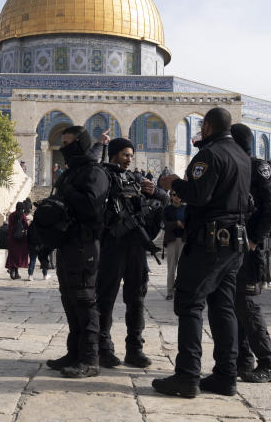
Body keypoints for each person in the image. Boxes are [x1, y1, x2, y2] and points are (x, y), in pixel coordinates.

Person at [152, 107, 251, 398]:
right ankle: (225, 375)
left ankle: (187, 375)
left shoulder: (210, 155)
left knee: (190, 303)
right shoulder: (242, 156)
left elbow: (199, 195)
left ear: (206, 126)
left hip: (209, 242)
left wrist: (175, 184)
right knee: (223, 308)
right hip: (234, 243)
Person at [45, 126, 111, 379]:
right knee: (69, 298)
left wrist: (69, 192)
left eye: (69, 143)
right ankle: (74, 352)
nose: (63, 148)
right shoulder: (72, 172)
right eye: (61, 143)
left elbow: (91, 207)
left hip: (84, 244)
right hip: (68, 243)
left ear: (81, 144)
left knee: (84, 299)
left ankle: (90, 357)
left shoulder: (94, 172)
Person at [97, 137, 167, 369]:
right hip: (111, 246)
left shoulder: (136, 179)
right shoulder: (103, 176)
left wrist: (155, 192)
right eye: (125, 154)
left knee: (136, 299)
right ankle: (103, 348)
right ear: (114, 154)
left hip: (135, 246)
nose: (129, 159)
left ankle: (134, 349)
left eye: (131, 155)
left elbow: (163, 203)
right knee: (105, 299)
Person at [229, 123, 271, 383]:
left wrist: (255, 240)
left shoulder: (259, 167)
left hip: (250, 248)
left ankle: (269, 364)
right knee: (236, 303)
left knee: (247, 305)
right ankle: (244, 361)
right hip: (237, 247)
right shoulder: (238, 166)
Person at [163, 192, 186, 300]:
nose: (177, 196)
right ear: (171, 196)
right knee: (171, 267)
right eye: (174, 194)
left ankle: (181, 290)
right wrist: (176, 223)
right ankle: (170, 291)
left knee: (183, 267)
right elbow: (163, 224)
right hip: (172, 240)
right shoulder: (167, 209)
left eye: (179, 194)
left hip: (183, 240)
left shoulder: (186, 208)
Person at [6, 200, 31, 279]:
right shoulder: (23, 215)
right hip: (20, 239)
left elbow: (9, 226)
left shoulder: (11, 215)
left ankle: (13, 271)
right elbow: (26, 226)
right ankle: (15, 272)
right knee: (18, 256)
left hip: (12, 238)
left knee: (12, 255)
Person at [26, 208, 51, 281]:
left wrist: (29, 245)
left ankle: (30, 275)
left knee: (32, 260)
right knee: (43, 260)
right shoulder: (44, 225)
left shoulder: (31, 225)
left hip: (33, 246)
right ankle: (45, 275)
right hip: (42, 246)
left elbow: (28, 236)